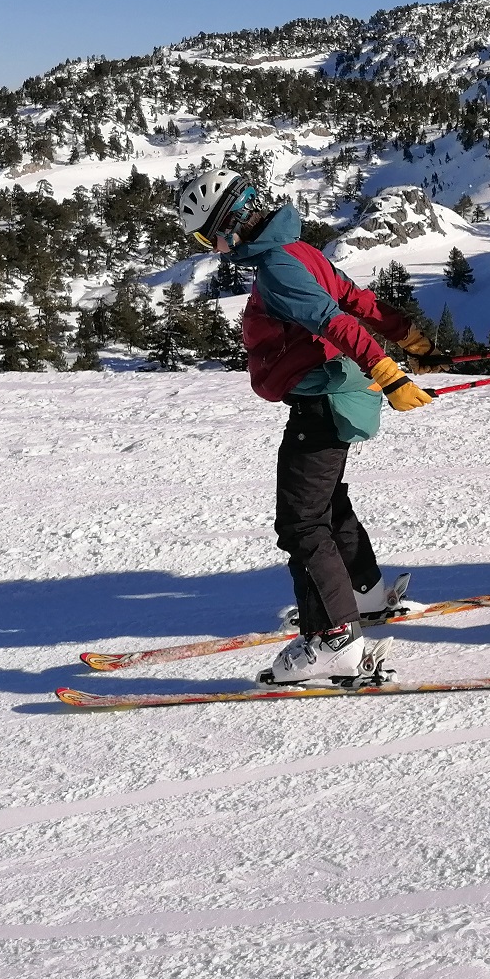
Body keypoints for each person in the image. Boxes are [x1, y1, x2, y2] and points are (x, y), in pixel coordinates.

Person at [175, 166, 440, 684]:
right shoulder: (299, 250)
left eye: (209, 236)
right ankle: (362, 591)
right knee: (325, 501)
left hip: (324, 401)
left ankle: (333, 639)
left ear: (230, 226)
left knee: (300, 523)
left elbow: (336, 320)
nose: (214, 247)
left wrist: (388, 372)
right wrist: (410, 338)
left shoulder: (278, 267)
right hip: (336, 396)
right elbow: (357, 301)